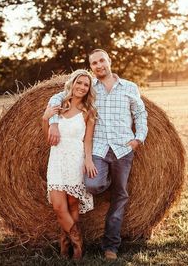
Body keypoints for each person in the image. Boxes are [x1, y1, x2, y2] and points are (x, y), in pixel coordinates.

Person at [47, 49, 148, 260]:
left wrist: (138, 138)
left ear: (109, 61)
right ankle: (106, 179)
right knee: (93, 185)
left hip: (123, 149)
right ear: (91, 66)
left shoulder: (130, 87)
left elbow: (140, 113)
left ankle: (110, 246)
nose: (99, 65)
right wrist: (53, 123)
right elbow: (60, 96)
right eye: (94, 63)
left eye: (102, 60)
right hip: (99, 150)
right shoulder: (90, 87)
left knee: (120, 195)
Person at [41, 69, 98, 260]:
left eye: (86, 85)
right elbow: (46, 136)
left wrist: (88, 159)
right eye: (79, 83)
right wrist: (45, 117)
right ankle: (77, 242)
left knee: (73, 203)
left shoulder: (88, 112)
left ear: (89, 89)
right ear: (72, 84)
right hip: (56, 160)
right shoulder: (58, 107)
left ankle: (67, 245)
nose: (82, 87)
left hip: (75, 159)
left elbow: (88, 140)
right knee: (58, 206)